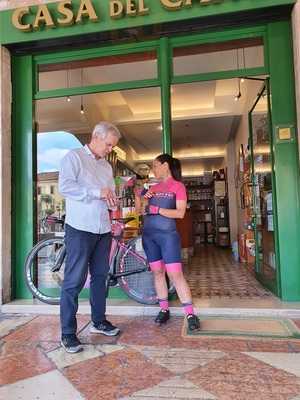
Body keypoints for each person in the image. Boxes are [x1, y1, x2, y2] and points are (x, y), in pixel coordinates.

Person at [58, 121, 121, 353]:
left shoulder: (106, 167)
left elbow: (107, 193)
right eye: (108, 144)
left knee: (100, 277)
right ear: (96, 137)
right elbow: (65, 187)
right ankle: (67, 333)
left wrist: (111, 199)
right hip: (79, 227)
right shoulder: (73, 157)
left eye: (112, 146)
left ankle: (99, 321)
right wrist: (97, 192)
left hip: (102, 228)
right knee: (74, 281)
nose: (110, 149)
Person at [137, 154, 200, 331]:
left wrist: (157, 209)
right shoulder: (153, 188)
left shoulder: (178, 187)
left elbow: (180, 213)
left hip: (168, 237)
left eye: (155, 166)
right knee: (157, 273)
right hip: (149, 236)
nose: (153, 169)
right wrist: (141, 196)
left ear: (165, 165)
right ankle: (164, 309)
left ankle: (190, 313)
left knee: (175, 275)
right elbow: (141, 211)